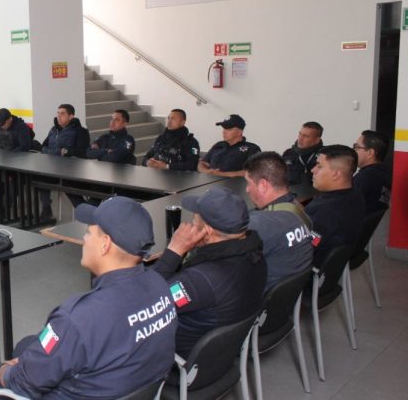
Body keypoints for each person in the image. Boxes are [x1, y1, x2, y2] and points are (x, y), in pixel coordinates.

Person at [0, 197, 177, 400]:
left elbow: (24, 384)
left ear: (105, 245)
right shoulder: (159, 285)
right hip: (128, 386)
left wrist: (2, 370)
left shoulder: (76, 318)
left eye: (89, 233)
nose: (84, 239)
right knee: (27, 345)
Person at [152, 186, 267, 357]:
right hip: (223, 352)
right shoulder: (256, 256)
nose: (191, 224)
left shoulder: (199, 280)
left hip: (183, 358)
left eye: (195, 220)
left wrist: (174, 251)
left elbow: (148, 301)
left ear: (208, 231)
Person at [244, 152, 314, 292]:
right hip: (285, 296)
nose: (246, 189)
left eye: (248, 183)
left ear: (263, 184)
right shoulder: (296, 208)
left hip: (259, 301)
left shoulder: (262, 224)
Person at [306, 145, 366, 267]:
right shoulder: (355, 195)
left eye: (319, 166)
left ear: (336, 174)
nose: (313, 170)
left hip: (306, 273)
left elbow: (306, 246)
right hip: (332, 267)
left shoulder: (325, 211)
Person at [38, 104, 90, 221]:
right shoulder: (54, 130)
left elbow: (83, 152)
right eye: (58, 113)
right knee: (39, 179)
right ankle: (47, 211)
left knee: (68, 185)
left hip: (71, 170)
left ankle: (87, 214)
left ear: (71, 116)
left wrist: (64, 152)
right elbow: (43, 146)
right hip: (53, 167)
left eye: (62, 113)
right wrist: (58, 152)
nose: (59, 116)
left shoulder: (80, 131)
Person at [0, 108, 33, 219]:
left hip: (20, 163)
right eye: (0, 123)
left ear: (10, 119)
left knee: (13, 183)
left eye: (4, 123)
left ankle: (2, 210)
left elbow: (25, 147)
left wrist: (9, 155)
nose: (2, 126)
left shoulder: (21, 128)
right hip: (3, 161)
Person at [353, 130, 391, 214]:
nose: (353, 151)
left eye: (356, 147)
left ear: (370, 153)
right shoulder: (386, 174)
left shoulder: (365, 177)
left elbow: (345, 208)